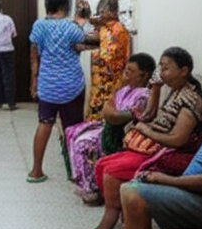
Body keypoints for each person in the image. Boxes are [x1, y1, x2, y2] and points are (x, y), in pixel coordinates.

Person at [92, 46, 202, 229]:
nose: (162, 73)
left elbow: (178, 140)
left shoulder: (190, 99)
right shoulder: (174, 92)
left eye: (166, 68)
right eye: (161, 68)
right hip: (156, 147)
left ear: (184, 71)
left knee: (112, 172)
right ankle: (122, 221)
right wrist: (156, 90)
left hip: (168, 153)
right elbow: (150, 116)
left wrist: (146, 131)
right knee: (102, 164)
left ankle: (119, 223)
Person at [27, 0, 98, 183]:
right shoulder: (71, 27)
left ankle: (36, 171)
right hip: (71, 85)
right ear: (65, 7)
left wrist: (34, 82)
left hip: (47, 85)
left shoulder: (39, 26)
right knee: (73, 129)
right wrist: (83, 21)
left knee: (45, 124)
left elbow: (34, 56)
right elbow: (86, 39)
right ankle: (75, 172)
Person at [66, 52, 156, 204]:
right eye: (126, 70)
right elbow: (108, 108)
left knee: (82, 142)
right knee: (72, 131)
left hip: (119, 133)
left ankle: (92, 189)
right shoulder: (125, 89)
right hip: (108, 125)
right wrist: (109, 110)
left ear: (143, 75)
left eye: (130, 71)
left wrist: (109, 111)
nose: (126, 74)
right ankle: (81, 180)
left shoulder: (143, 95)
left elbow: (116, 117)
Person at [87, 0, 130, 121]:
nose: (100, 15)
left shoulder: (117, 30)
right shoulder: (104, 28)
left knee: (104, 116)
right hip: (99, 82)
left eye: (102, 11)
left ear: (112, 12)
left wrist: (96, 55)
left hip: (110, 81)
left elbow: (109, 57)